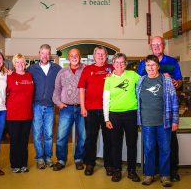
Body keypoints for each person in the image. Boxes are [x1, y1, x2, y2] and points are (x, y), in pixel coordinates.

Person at [137, 36, 182, 181]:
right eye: (153, 44)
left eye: (159, 44)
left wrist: (175, 82)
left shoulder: (172, 63)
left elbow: (179, 83)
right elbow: (134, 82)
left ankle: (168, 173)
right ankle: (150, 173)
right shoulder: (141, 75)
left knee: (167, 148)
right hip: (148, 120)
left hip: (165, 117)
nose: (156, 46)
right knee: (149, 148)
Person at [103, 53, 141, 182]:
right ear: (113, 64)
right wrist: (106, 119)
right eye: (117, 62)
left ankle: (131, 171)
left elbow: (145, 82)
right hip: (114, 115)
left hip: (131, 114)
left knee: (132, 144)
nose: (119, 65)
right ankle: (117, 170)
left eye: (122, 62)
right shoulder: (108, 79)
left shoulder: (132, 75)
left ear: (125, 64)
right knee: (116, 145)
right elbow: (105, 99)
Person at [78, 46, 114, 176]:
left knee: (108, 138)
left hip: (108, 110)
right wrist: (82, 107)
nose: (100, 56)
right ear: (94, 56)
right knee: (90, 139)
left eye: (103, 54)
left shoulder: (111, 68)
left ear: (106, 56)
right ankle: (90, 164)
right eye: (98, 54)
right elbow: (81, 89)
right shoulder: (87, 69)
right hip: (91, 110)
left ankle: (109, 164)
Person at [28, 44, 61, 169]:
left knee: (49, 135)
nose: (45, 56)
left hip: (50, 106)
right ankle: (40, 158)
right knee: (36, 134)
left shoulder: (56, 68)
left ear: (50, 55)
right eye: (43, 53)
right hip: (36, 105)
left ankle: (48, 157)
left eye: (47, 53)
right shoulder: (32, 69)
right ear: (39, 53)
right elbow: (22, 80)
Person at [52, 48, 86, 171]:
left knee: (83, 135)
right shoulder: (62, 72)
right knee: (61, 136)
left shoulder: (86, 70)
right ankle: (61, 160)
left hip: (82, 108)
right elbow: (56, 90)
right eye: (71, 55)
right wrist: (58, 103)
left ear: (80, 56)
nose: (74, 57)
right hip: (66, 108)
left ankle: (79, 159)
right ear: (68, 58)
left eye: (76, 55)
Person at [6, 53, 34, 173]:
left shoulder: (29, 76)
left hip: (27, 114)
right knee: (15, 141)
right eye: (17, 62)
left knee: (24, 141)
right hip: (13, 115)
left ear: (25, 63)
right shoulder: (10, 77)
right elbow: (3, 93)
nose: (20, 64)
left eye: (22, 62)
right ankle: (15, 164)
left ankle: (23, 164)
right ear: (14, 64)